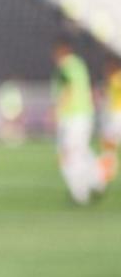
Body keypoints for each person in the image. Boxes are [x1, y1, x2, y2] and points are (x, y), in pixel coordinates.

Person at [52, 41, 106, 204]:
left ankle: (79, 192)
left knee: (69, 154)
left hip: (72, 116)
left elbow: (68, 88)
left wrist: (57, 109)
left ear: (61, 51)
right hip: (85, 115)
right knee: (82, 151)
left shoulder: (66, 66)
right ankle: (97, 180)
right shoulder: (80, 65)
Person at [99, 57, 121, 182]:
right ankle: (108, 170)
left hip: (117, 116)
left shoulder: (116, 78)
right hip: (114, 116)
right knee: (108, 144)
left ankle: (108, 171)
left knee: (108, 145)